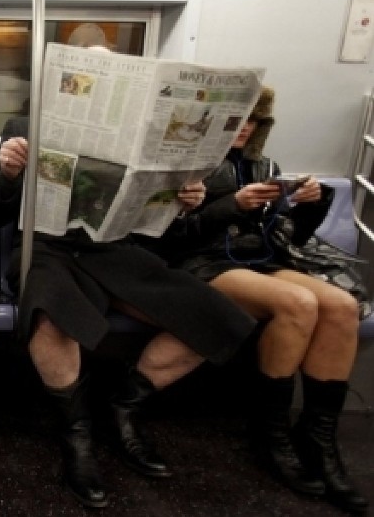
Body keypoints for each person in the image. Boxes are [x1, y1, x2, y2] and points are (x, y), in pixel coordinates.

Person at [0, 116, 258, 508]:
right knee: (50, 317)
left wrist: (184, 204)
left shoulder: (145, 135)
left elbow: (165, 228)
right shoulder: (25, 126)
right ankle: (77, 433)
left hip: (114, 250)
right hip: (46, 250)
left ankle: (123, 407)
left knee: (214, 317)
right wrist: (7, 176)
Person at [157, 87, 368, 514]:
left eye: (253, 121)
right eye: (236, 119)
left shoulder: (265, 166)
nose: (245, 128)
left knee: (341, 306)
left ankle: (318, 437)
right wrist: (231, 206)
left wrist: (310, 204)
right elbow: (168, 239)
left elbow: (292, 236)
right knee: (298, 304)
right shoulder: (182, 168)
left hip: (264, 260)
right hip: (203, 265)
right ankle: (270, 432)